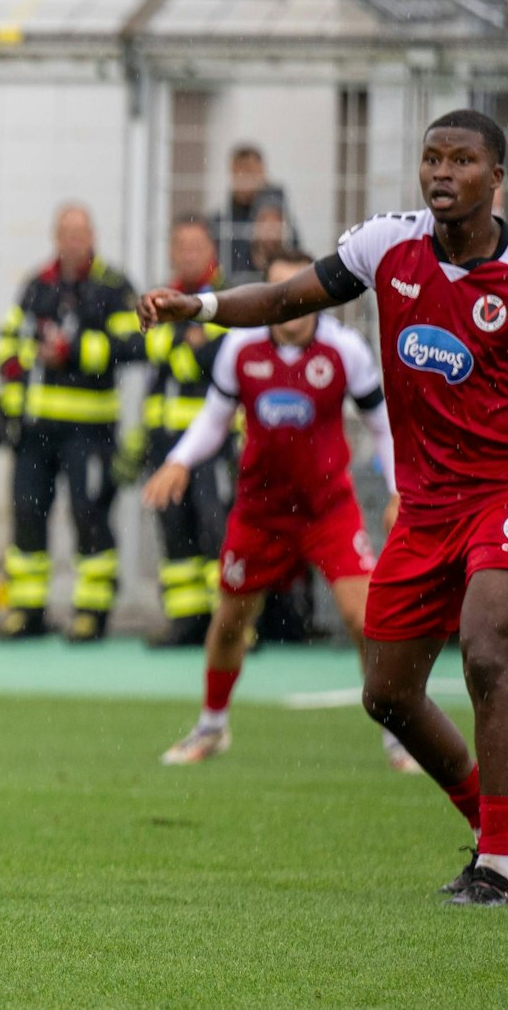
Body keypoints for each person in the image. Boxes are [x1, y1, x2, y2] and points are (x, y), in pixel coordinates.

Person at [138, 109, 508, 907]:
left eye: (462, 160)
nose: (442, 173)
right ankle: (497, 822)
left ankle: (493, 867)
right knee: (386, 693)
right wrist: (203, 306)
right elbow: (284, 296)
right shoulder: (386, 244)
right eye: (432, 158)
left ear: (496, 178)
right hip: (427, 507)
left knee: (485, 653)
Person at [144, 249, 417, 772]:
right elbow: (215, 418)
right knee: (230, 622)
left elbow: (382, 425)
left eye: (298, 290)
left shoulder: (345, 350)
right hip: (259, 512)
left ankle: (398, 737)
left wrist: (399, 489)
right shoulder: (240, 347)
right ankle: (212, 726)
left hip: (327, 510)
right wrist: (179, 460)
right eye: (278, 291)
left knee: (366, 620)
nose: (288, 301)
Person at [0, 203, 144, 641]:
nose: (73, 242)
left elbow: (134, 345)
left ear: (92, 236)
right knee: (27, 514)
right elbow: (8, 343)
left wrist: (72, 353)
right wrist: (8, 402)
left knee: (88, 514)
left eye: (80, 233)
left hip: (89, 431)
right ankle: (27, 609)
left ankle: (91, 611)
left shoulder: (113, 287)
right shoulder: (37, 285)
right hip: (35, 430)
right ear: (55, 238)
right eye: (66, 234)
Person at [137, 214, 228, 646]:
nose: (189, 254)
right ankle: (186, 620)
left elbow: (215, 358)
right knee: (174, 529)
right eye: (182, 246)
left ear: (211, 250)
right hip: (163, 439)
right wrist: (186, 346)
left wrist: (183, 350)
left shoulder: (226, 298)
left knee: (216, 527)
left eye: (197, 246)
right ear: (172, 253)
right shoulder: (159, 299)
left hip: (212, 442)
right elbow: (148, 345)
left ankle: (229, 624)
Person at [208, 145, 300, 285]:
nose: (244, 178)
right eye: (239, 171)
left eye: (249, 171)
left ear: (262, 173)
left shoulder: (278, 215)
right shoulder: (220, 222)